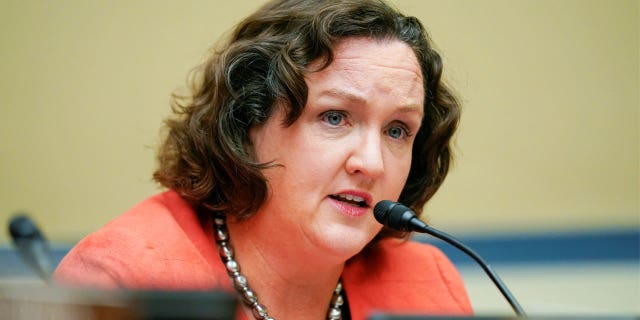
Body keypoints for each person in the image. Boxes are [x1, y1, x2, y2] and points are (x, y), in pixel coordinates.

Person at [54, 0, 472, 319]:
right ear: (246, 122)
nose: (372, 163)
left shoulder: (427, 287)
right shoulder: (125, 282)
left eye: (397, 130)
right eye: (334, 117)